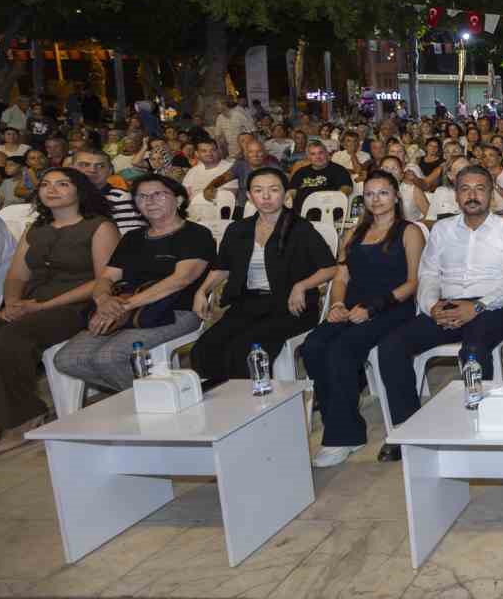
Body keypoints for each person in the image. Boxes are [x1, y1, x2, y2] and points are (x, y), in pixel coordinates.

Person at [374, 166, 503, 461]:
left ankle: (480, 428)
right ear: (455, 195)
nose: (472, 195)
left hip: (493, 306)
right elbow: (429, 274)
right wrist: (432, 306)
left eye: (480, 188)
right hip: (446, 304)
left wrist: (477, 306)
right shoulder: (442, 230)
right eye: (465, 189)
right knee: (391, 345)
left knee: (473, 351)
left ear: (491, 194)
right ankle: (407, 430)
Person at [0, 168, 118, 453]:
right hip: (31, 303)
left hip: (77, 304)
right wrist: (13, 303)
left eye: (62, 184)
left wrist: (40, 307)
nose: (52, 190)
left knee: (7, 341)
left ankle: (25, 416)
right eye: (46, 184)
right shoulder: (36, 228)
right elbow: (16, 276)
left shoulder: (100, 227)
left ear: (79, 191)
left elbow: (103, 281)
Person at [301, 170, 425, 466]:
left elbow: (412, 283)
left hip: (393, 307)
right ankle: (343, 423)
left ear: (396, 196)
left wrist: (373, 308)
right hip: (353, 305)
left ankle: (342, 437)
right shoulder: (353, 233)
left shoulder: (409, 231)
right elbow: (342, 276)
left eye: (383, 193)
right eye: (369, 194)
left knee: (342, 349)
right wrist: (338, 304)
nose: (376, 199)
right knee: (314, 345)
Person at [53, 175, 214, 398]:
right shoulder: (133, 238)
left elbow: (180, 280)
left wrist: (123, 306)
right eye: (142, 196)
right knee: (67, 360)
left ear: (178, 199)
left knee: (109, 358)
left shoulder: (195, 234)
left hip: (176, 310)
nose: (149, 201)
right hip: (126, 311)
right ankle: (150, 399)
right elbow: (106, 278)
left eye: (158, 194)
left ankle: (155, 406)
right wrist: (103, 300)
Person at [189, 168, 338, 385]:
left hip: (291, 307)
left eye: (274, 190)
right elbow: (223, 267)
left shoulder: (300, 228)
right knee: (204, 349)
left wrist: (301, 286)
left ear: (286, 194)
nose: (266, 196)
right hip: (248, 304)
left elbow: (330, 268)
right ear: (249, 196)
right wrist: (202, 291)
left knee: (243, 351)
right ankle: (222, 406)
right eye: (258, 190)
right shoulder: (238, 229)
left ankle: (252, 407)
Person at [71, 147, 144, 234]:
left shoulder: (122, 197)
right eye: (84, 165)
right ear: (71, 168)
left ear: (110, 171)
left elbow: (127, 240)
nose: (92, 170)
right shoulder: (59, 196)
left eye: (100, 166)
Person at [287, 140, 355, 211]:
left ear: (326, 153)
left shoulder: (339, 170)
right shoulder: (301, 172)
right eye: (313, 154)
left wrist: (327, 199)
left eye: (321, 153)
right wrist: (288, 197)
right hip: (300, 213)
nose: (318, 157)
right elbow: (292, 191)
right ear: (308, 157)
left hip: (327, 211)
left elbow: (346, 189)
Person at [181, 140, 232, 220]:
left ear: (218, 151)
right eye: (204, 151)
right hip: (193, 214)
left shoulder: (230, 168)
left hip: (219, 214)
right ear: (197, 154)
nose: (209, 154)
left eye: (213, 150)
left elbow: (229, 196)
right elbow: (183, 194)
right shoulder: (193, 171)